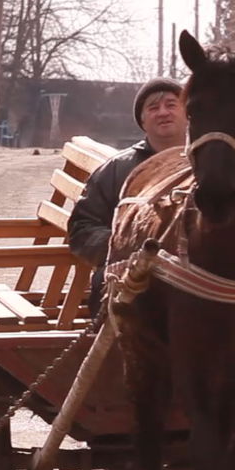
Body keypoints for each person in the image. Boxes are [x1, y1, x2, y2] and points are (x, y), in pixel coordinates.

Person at [68, 77, 187, 311]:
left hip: (193, 274)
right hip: (131, 273)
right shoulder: (117, 169)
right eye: (153, 107)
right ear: (142, 120)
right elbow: (82, 227)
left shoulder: (208, 165)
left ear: (188, 112)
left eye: (171, 104)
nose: (163, 112)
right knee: (104, 281)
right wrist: (125, 250)